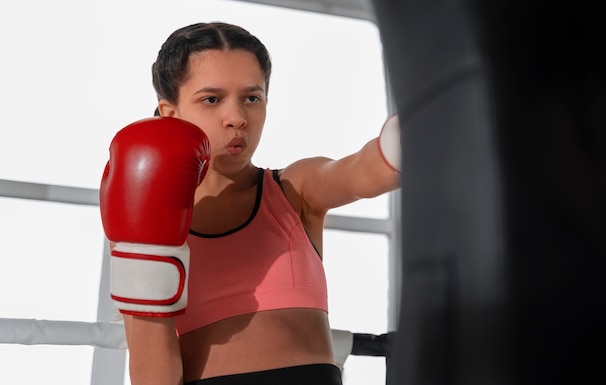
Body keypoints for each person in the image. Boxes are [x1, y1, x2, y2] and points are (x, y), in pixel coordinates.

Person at [100, 22, 401, 385]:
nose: (237, 117)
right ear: (169, 113)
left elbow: (361, 171)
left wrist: (415, 129)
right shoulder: (143, 219)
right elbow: (155, 379)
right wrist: (146, 256)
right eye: (211, 99)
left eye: (251, 98)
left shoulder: (293, 191)